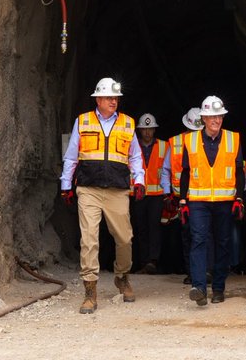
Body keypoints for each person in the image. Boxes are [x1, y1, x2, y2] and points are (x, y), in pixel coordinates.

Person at [59, 77, 145, 314]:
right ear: (97, 99)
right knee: (89, 239)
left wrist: (139, 180)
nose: (113, 102)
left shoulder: (127, 123)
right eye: (109, 98)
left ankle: (122, 276)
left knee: (125, 238)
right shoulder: (83, 121)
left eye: (116, 98)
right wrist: (66, 185)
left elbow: (135, 156)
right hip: (89, 189)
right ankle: (90, 290)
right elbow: (72, 155)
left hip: (117, 189)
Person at [178, 95, 246, 306]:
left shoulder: (233, 138)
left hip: (225, 201)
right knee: (198, 240)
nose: (217, 120)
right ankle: (199, 287)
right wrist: (182, 200)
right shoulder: (190, 140)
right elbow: (186, 172)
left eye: (220, 116)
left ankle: (218, 288)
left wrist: (239, 198)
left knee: (223, 243)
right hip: (198, 201)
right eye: (212, 116)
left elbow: (239, 171)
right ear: (204, 119)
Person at [166, 107, 202, 283]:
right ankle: (192, 272)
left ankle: (206, 271)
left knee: (203, 235)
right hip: (182, 197)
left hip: (202, 195)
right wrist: (168, 193)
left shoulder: (209, 140)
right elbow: (165, 169)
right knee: (187, 235)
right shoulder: (175, 142)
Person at [130, 113, 169, 274]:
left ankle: (153, 261)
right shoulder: (132, 146)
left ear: (154, 130)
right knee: (140, 228)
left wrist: (168, 193)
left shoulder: (164, 146)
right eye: (144, 129)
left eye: (150, 129)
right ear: (139, 130)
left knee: (155, 227)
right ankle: (143, 262)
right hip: (138, 193)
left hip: (157, 194)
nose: (147, 132)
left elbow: (169, 169)